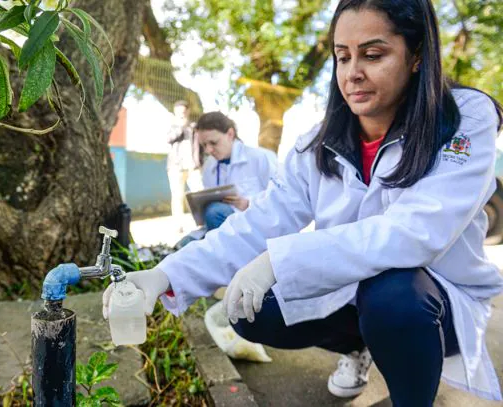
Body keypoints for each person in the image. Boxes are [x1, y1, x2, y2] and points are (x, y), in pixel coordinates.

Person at [103, 0, 503, 405]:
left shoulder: (461, 118)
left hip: (436, 304)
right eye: (342, 57)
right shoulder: (318, 143)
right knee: (247, 310)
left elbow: (418, 232)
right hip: (354, 296)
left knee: (392, 292)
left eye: (373, 55)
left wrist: (280, 261)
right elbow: (259, 222)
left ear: (416, 55)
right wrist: (166, 274)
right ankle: (356, 348)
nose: (353, 73)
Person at [195, 111, 277, 230]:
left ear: (230, 134)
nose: (208, 150)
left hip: (256, 225)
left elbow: (279, 199)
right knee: (184, 244)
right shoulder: (209, 166)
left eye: (213, 143)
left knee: (215, 212)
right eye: (204, 145)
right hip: (222, 225)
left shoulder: (261, 157)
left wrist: (248, 204)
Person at [166, 100, 203, 232]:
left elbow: (200, 146)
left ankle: (201, 223)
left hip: (193, 168)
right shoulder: (172, 127)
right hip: (176, 168)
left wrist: (199, 162)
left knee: (198, 194)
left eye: (184, 111)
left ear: (188, 111)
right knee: (177, 196)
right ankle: (178, 226)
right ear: (175, 112)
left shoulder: (194, 127)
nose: (182, 114)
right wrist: (180, 127)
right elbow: (169, 139)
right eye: (179, 112)